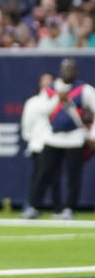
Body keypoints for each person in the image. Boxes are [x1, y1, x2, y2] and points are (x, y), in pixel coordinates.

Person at [27, 59, 95, 220]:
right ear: (60, 71)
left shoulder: (84, 90)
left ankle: (68, 208)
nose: (68, 72)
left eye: (72, 69)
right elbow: (42, 111)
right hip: (53, 138)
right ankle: (34, 206)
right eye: (66, 69)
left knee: (73, 176)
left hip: (75, 138)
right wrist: (58, 99)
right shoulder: (50, 90)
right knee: (44, 173)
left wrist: (92, 136)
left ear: (77, 72)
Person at [20, 73, 57, 218]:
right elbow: (26, 123)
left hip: (55, 144)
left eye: (50, 81)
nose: (47, 84)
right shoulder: (33, 102)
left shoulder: (60, 100)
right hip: (38, 145)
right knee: (38, 177)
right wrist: (29, 139)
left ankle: (59, 208)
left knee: (55, 179)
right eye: (44, 81)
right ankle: (33, 206)